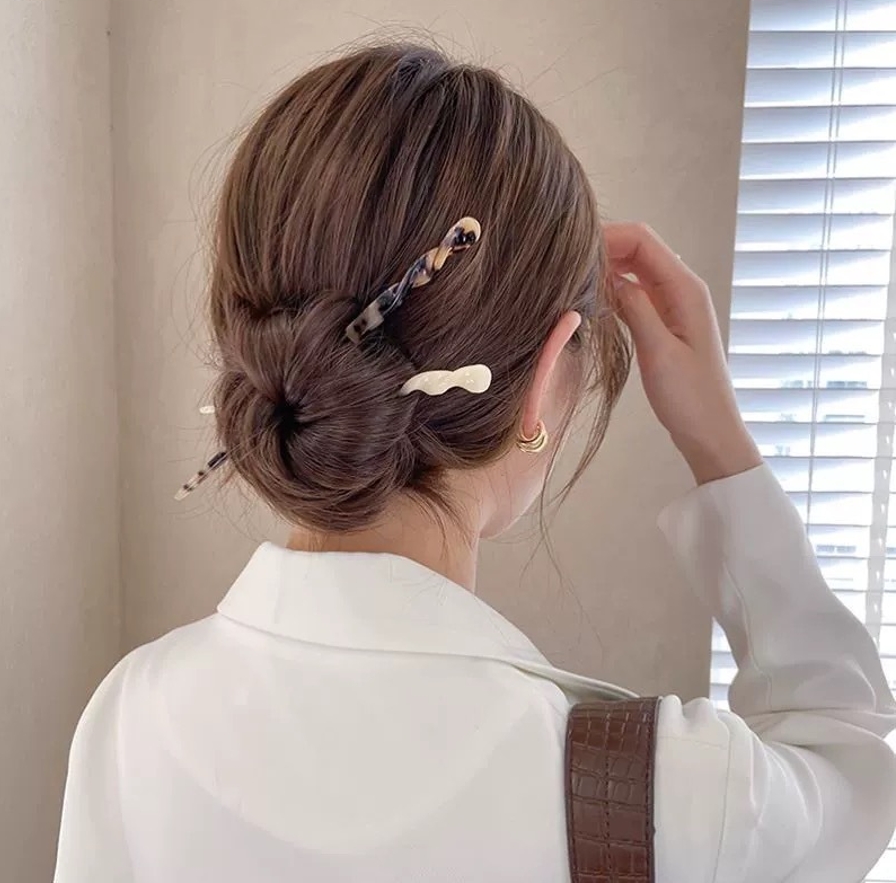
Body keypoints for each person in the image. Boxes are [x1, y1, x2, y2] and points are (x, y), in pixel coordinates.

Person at [53, 43, 896, 883]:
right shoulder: (667, 794)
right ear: (547, 377)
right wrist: (720, 445)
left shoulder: (130, 719)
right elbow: (845, 755)